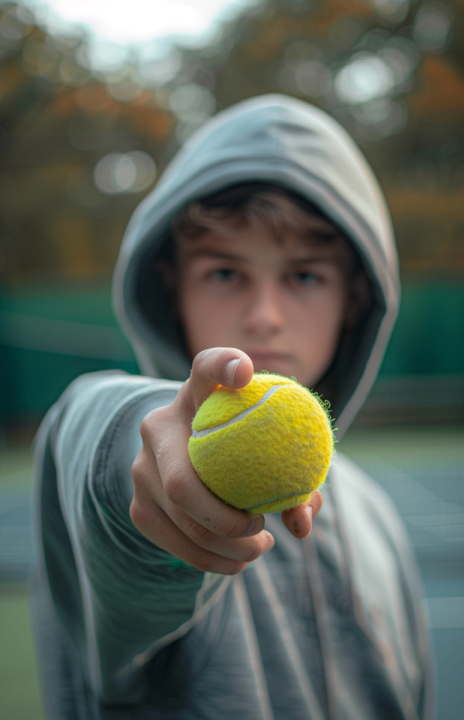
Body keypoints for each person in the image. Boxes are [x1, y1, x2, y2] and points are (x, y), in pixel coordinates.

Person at [32, 95, 433, 720]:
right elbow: (94, 442)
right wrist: (135, 452)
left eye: (304, 277)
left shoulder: (377, 516)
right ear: (172, 287)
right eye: (225, 273)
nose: (264, 317)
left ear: (354, 300)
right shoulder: (144, 461)